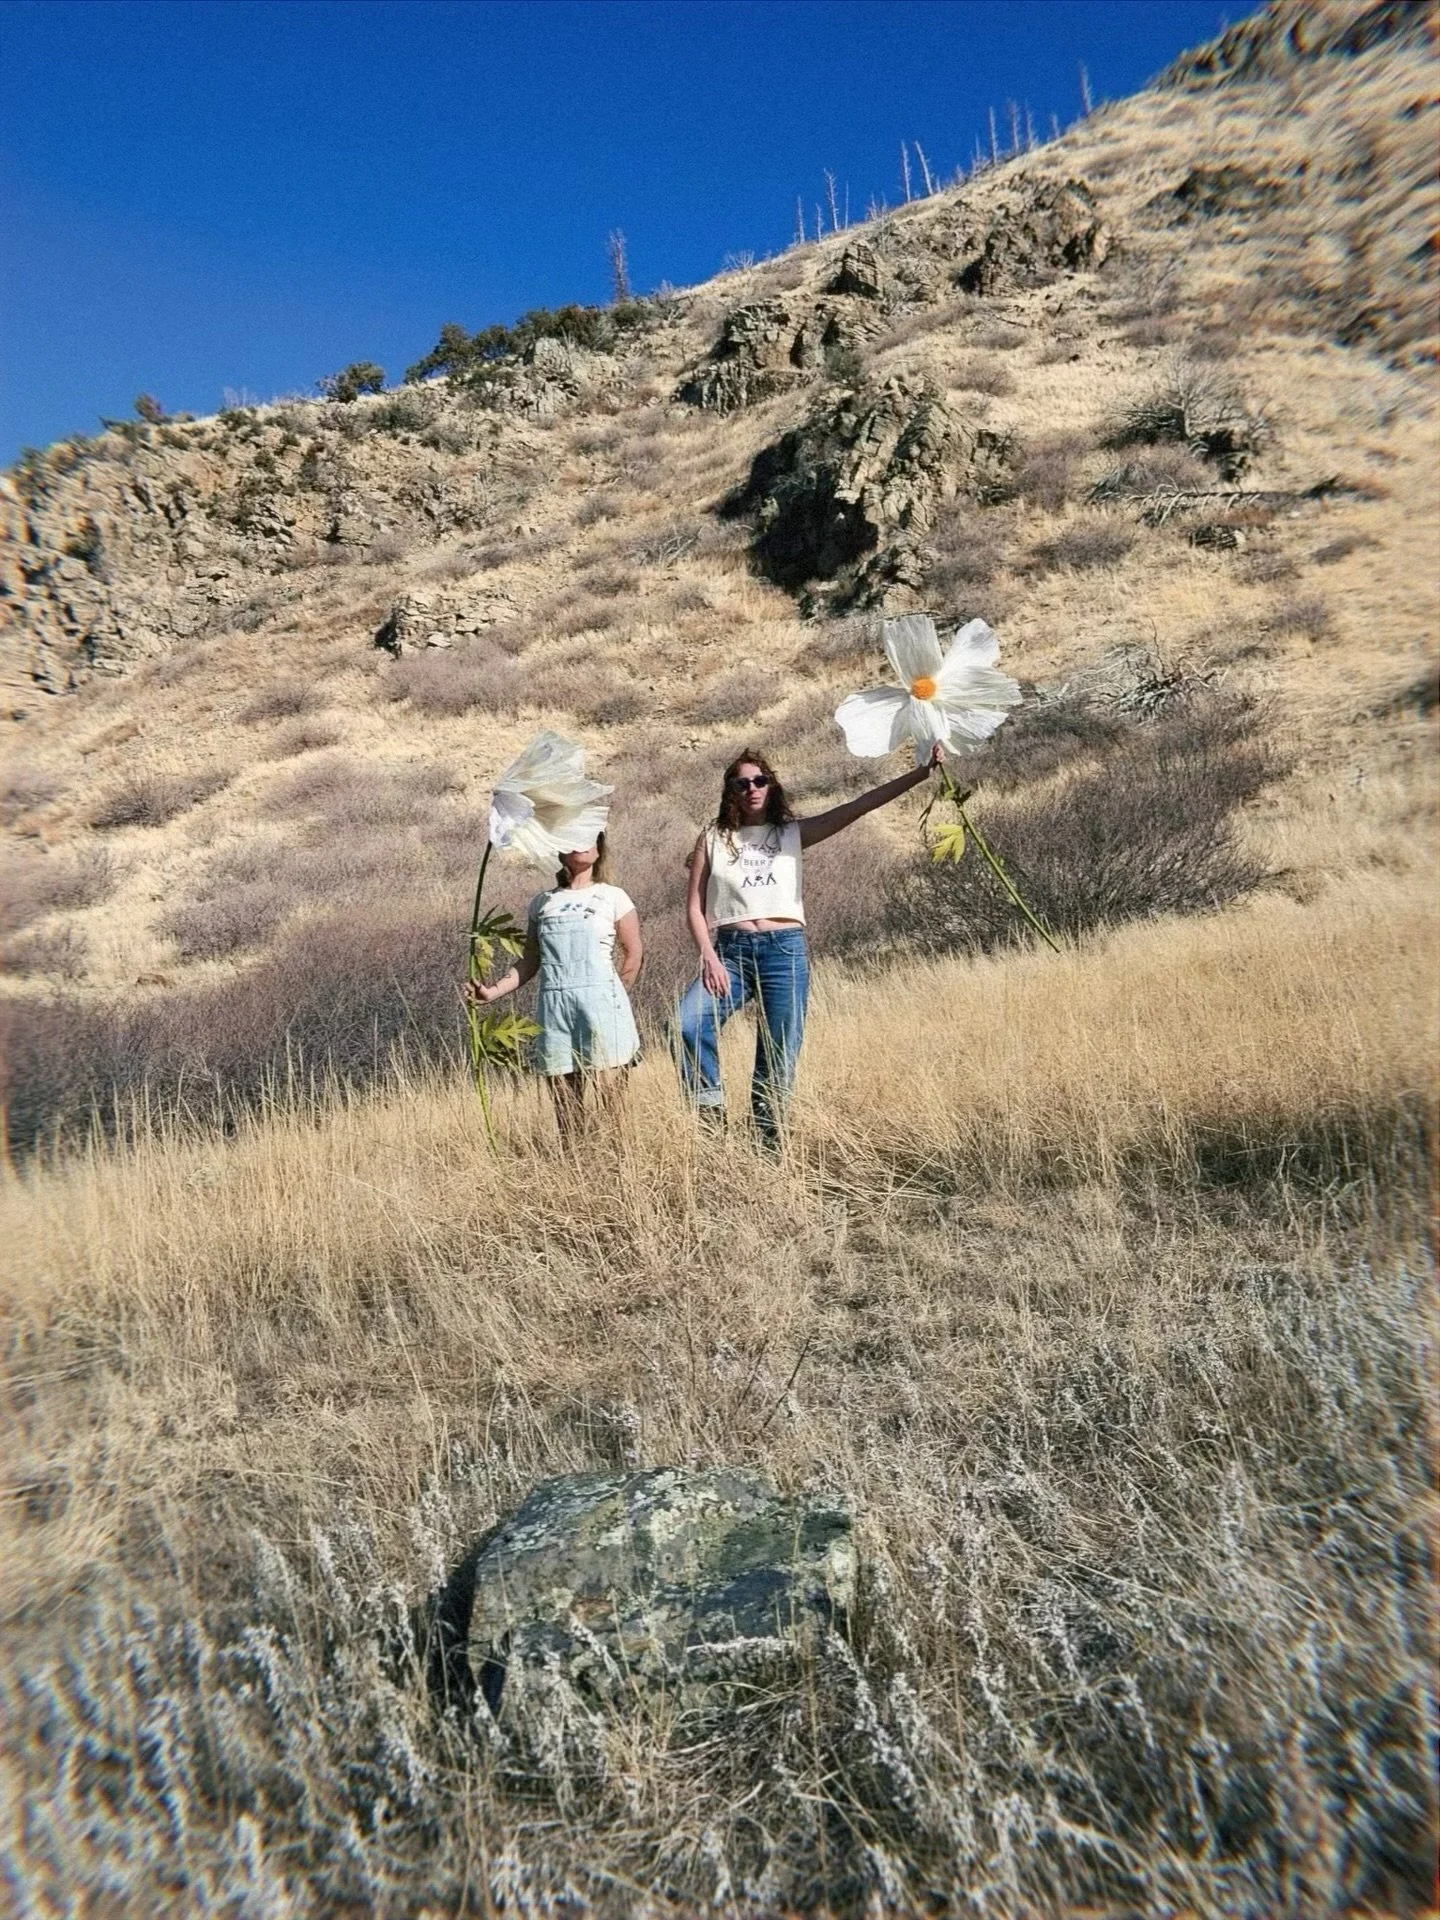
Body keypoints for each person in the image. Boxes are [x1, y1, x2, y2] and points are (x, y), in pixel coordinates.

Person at [675, 743, 942, 1146]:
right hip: (730, 953)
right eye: (742, 783)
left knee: (778, 1050)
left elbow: (860, 805)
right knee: (688, 1023)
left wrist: (921, 772)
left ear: (771, 786)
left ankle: (767, 1147)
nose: (752, 789)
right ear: (731, 790)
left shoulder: (792, 834)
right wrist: (708, 957)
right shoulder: (713, 838)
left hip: (784, 952)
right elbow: (694, 907)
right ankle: (711, 1122)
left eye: (759, 781)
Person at [467, 834, 642, 1140]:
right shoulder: (543, 903)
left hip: (603, 1005)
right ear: (559, 851)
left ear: (599, 849)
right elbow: (530, 959)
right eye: (573, 837)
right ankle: (574, 1164)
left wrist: (618, 994)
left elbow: (634, 953)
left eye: (589, 837)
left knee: (611, 1105)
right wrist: (491, 992)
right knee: (566, 1106)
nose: (581, 843)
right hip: (555, 1009)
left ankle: (619, 1165)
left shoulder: (614, 897)